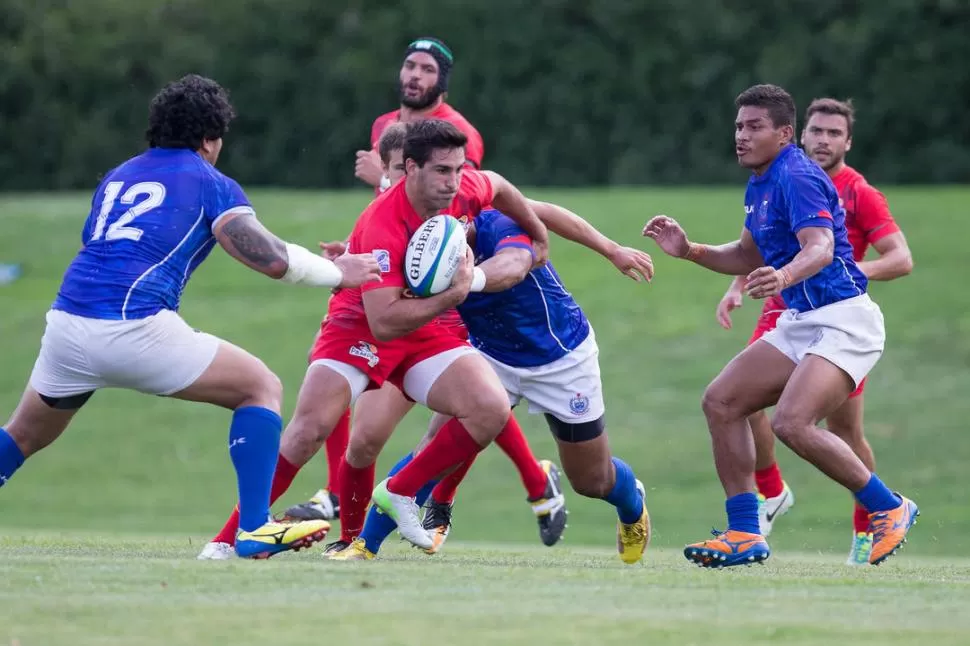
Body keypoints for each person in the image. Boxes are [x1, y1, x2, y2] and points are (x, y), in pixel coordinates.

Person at [0, 74, 382, 559]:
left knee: (25, 434)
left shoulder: (118, 176)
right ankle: (254, 529)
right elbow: (270, 258)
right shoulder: (208, 181)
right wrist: (338, 272)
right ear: (209, 139)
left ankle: (251, 529)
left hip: (66, 323)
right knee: (259, 387)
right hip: (132, 326)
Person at [202, 119, 551, 557]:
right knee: (310, 432)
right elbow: (384, 322)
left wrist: (537, 235)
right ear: (412, 168)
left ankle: (395, 499)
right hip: (360, 321)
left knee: (490, 407)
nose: (453, 181)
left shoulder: (464, 188)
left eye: (459, 169)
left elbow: (499, 186)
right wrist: (456, 293)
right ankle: (226, 540)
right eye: (442, 171)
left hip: (426, 324)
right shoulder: (382, 222)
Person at [643, 84, 918, 568]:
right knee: (722, 401)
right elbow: (747, 254)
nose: (741, 136)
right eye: (738, 126)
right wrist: (689, 250)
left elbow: (821, 246)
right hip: (803, 320)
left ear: (784, 133)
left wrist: (785, 275)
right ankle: (745, 532)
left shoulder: (798, 176)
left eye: (753, 127)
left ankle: (889, 507)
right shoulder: (762, 181)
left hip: (844, 320)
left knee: (792, 423)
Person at [338, 207, 651, 564]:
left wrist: (612, 249)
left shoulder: (497, 217)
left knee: (591, 480)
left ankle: (632, 505)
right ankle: (366, 546)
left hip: (563, 357)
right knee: (434, 448)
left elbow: (526, 245)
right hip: (490, 355)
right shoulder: (410, 231)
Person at [289, 36, 485, 523]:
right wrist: (353, 248)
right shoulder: (386, 126)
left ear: (442, 81)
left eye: (427, 69)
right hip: (381, 281)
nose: (415, 76)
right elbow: (392, 213)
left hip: (430, 294)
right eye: (410, 66)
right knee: (340, 406)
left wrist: (381, 178)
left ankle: (432, 494)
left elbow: (451, 214)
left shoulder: (458, 134)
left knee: (488, 404)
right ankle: (346, 509)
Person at [714, 97, 913, 565]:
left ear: (847, 141)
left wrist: (841, 269)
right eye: (817, 131)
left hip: (840, 317)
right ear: (801, 135)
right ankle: (754, 517)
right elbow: (761, 246)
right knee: (728, 400)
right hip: (793, 312)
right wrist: (725, 276)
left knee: (826, 428)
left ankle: (877, 519)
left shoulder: (842, 188)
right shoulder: (771, 177)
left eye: (834, 133)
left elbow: (891, 257)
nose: (823, 139)